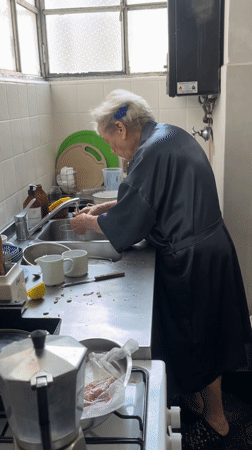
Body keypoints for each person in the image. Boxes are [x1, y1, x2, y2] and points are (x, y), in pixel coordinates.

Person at [70, 89, 252, 449]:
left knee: (203, 337)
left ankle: (217, 421)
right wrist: (103, 209)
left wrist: (87, 224)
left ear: (121, 128)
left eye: (112, 142)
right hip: (207, 249)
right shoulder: (167, 135)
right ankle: (200, 402)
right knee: (200, 333)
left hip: (193, 259)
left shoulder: (150, 152)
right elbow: (141, 197)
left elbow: (134, 219)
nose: (116, 154)